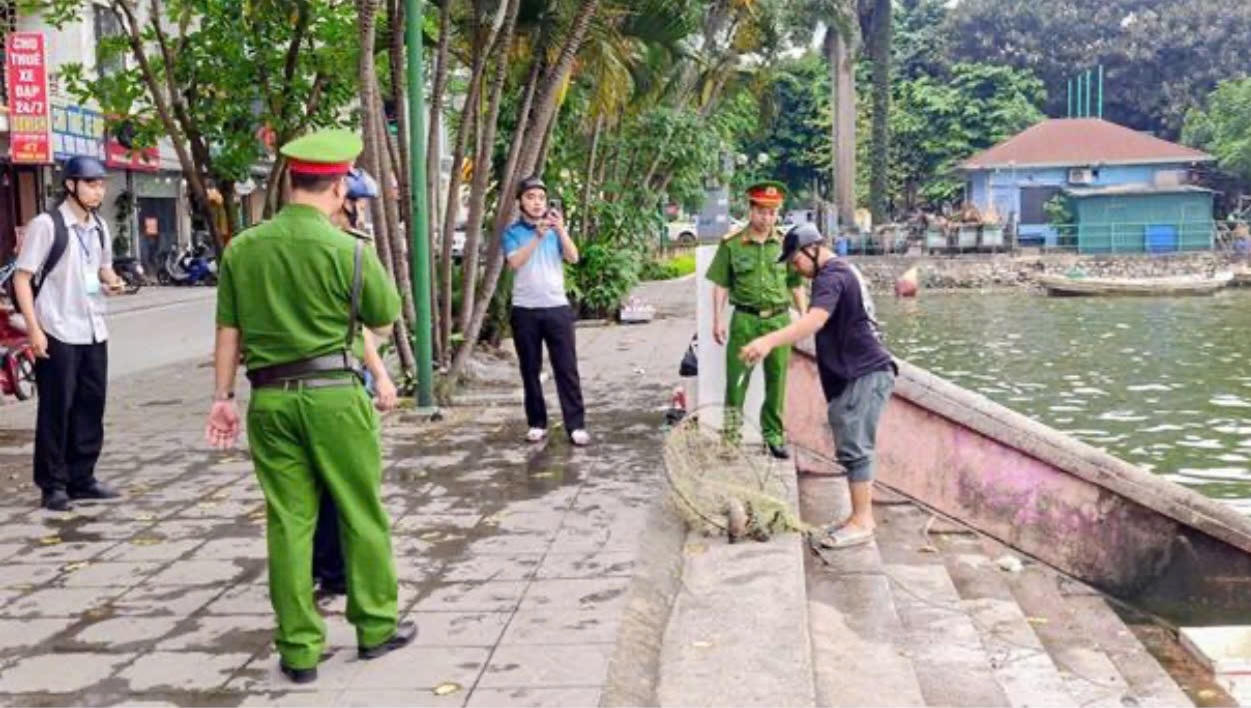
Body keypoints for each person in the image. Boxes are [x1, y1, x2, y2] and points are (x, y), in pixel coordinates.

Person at [204, 129, 415, 684]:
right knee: (359, 510)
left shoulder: (244, 248)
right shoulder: (348, 250)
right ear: (340, 185)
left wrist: (222, 398)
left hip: (269, 401)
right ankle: (374, 627)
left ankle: (298, 650)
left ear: (291, 181)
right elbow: (384, 315)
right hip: (336, 398)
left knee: (289, 522)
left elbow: (228, 329)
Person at [739, 222, 896, 549]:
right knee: (850, 442)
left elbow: (814, 320)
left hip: (865, 372)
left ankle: (863, 520)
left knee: (856, 445)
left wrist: (768, 341)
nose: (797, 269)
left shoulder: (831, 275)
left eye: (796, 261)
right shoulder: (839, 272)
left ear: (812, 250)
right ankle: (857, 516)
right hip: (857, 372)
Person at [12, 156, 125, 512]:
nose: (98, 190)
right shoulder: (48, 225)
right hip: (57, 329)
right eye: (91, 184)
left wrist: (114, 282)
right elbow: (22, 277)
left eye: (101, 184)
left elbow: (102, 268)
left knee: (90, 406)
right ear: (71, 185)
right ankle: (53, 485)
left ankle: (83, 477)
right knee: (56, 409)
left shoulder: (100, 227)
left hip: (93, 328)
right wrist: (34, 328)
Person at [312, 166, 399, 596]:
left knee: (305, 490)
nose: (361, 213)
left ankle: (317, 566)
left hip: (284, 388)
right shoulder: (348, 250)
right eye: (359, 204)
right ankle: (344, 575)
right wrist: (381, 374)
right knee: (347, 484)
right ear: (342, 199)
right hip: (339, 383)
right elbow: (369, 323)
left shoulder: (272, 245)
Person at [705, 180, 807, 459]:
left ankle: (773, 436)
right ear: (750, 210)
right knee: (736, 382)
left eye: (773, 212)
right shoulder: (732, 244)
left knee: (777, 381)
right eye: (762, 211)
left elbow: (796, 283)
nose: (767, 218)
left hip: (779, 320)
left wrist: (805, 318)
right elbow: (721, 285)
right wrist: (718, 319)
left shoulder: (786, 243)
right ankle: (731, 438)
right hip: (745, 320)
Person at [502, 176, 589, 446]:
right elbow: (515, 262)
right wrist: (536, 237)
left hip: (557, 307)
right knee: (530, 369)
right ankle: (537, 422)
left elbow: (574, 257)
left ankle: (575, 425)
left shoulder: (555, 231)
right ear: (520, 202)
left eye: (541, 198)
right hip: (525, 310)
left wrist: (560, 230)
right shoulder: (512, 233)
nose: (537, 202)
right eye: (530, 197)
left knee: (567, 368)